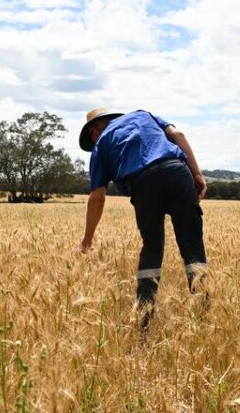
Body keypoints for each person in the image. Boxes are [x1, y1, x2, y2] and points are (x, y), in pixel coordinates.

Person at [77, 107, 208, 332]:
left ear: (94, 132)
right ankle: (205, 317)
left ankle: (144, 323)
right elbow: (178, 135)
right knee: (192, 246)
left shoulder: (101, 145)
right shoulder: (143, 115)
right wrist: (196, 173)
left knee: (152, 249)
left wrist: (87, 239)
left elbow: (97, 198)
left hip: (143, 183)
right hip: (178, 172)